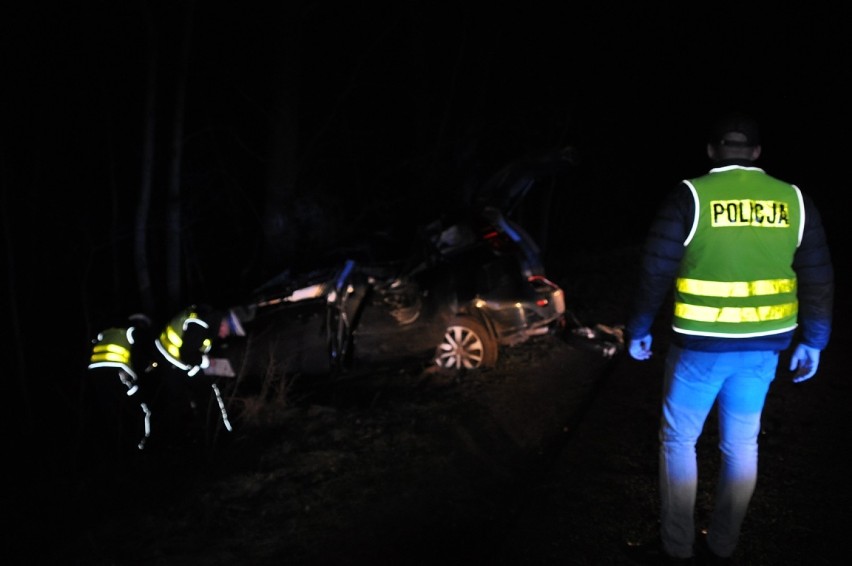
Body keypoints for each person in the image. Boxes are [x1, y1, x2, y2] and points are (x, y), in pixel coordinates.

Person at [624, 112, 834, 564]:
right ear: (757, 153)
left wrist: (638, 328)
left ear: (712, 151)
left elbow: (654, 269)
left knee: (679, 442)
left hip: (700, 347)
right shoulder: (794, 199)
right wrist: (814, 339)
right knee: (741, 445)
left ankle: (677, 547)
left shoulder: (690, 195)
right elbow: (818, 277)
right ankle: (723, 544)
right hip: (765, 346)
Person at [86, 313, 155, 456]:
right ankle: (142, 445)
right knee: (142, 408)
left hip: (96, 374)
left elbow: (93, 344)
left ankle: (112, 450)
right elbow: (138, 357)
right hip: (118, 374)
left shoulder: (107, 332)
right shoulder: (132, 332)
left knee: (110, 411)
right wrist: (147, 368)